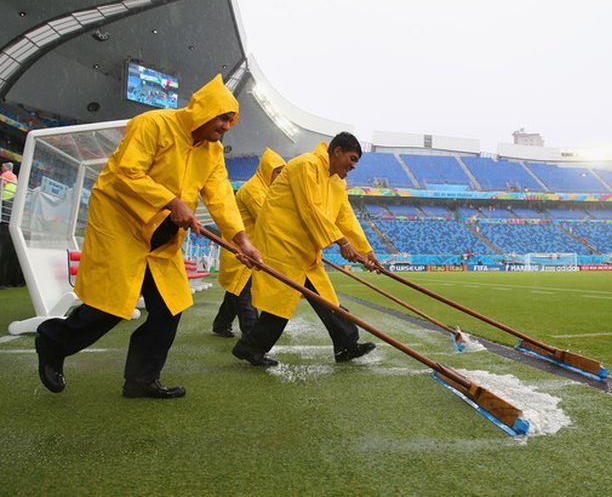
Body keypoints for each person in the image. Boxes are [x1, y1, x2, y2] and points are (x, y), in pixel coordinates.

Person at [34, 74, 261, 399]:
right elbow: (127, 172)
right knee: (109, 306)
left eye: (231, 121)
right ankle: (52, 341)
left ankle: (141, 379)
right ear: (205, 110)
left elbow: (221, 195)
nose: (227, 126)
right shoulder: (153, 124)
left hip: (163, 232)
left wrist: (242, 240)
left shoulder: (212, 152)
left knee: (170, 306)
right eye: (224, 117)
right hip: (120, 221)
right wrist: (171, 202)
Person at [231, 132, 382, 366]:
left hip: (304, 248)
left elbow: (345, 216)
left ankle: (344, 344)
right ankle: (345, 344)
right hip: (282, 243)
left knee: (324, 298)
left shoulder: (337, 182)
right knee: (284, 302)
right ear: (337, 152)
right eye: (351, 159)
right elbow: (310, 209)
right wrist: (341, 242)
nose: (353, 166)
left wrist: (366, 251)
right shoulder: (306, 165)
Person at [211, 147, 285, 338]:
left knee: (237, 290)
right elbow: (269, 221)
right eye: (277, 171)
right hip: (239, 249)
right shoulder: (254, 190)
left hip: (249, 249)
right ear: (267, 170)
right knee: (245, 294)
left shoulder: (267, 191)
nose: (280, 176)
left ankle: (221, 324)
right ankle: (252, 339)